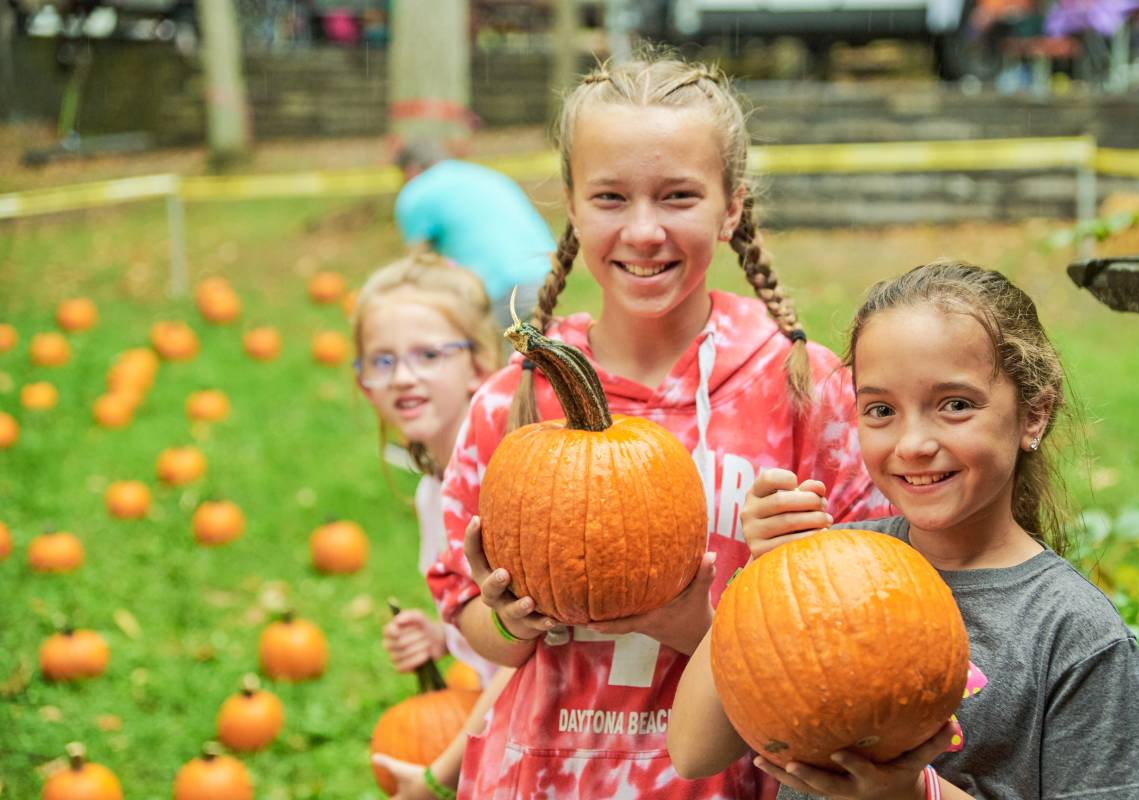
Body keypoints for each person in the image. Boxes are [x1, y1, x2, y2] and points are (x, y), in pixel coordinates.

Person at [426, 53, 891, 799]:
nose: (643, 231)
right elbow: (470, 623)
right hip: (539, 776)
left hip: (732, 779)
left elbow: (862, 633)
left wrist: (694, 623)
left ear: (730, 207)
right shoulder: (512, 401)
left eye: (678, 196)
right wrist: (508, 619)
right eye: (610, 197)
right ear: (572, 208)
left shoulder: (805, 390)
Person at [668, 260, 1139, 800]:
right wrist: (762, 573)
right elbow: (693, 750)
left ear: (1033, 413)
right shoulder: (827, 571)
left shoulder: (1071, 630)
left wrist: (917, 795)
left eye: (955, 405)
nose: (913, 442)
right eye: (880, 409)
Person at [350, 252, 513, 800]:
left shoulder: (507, 485)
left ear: (477, 365)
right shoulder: (430, 493)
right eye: (382, 361)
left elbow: (533, 656)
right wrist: (444, 634)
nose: (404, 377)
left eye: (427, 354)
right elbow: (491, 626)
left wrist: (436, 775)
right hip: (493, 730)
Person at [394, 138, 555, 329]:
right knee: (541, 353)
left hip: (496, 285)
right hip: (545, 275)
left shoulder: (416, 191)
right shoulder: (483, 174)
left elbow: (419, 263)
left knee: (501, 356)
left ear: (410, 169)